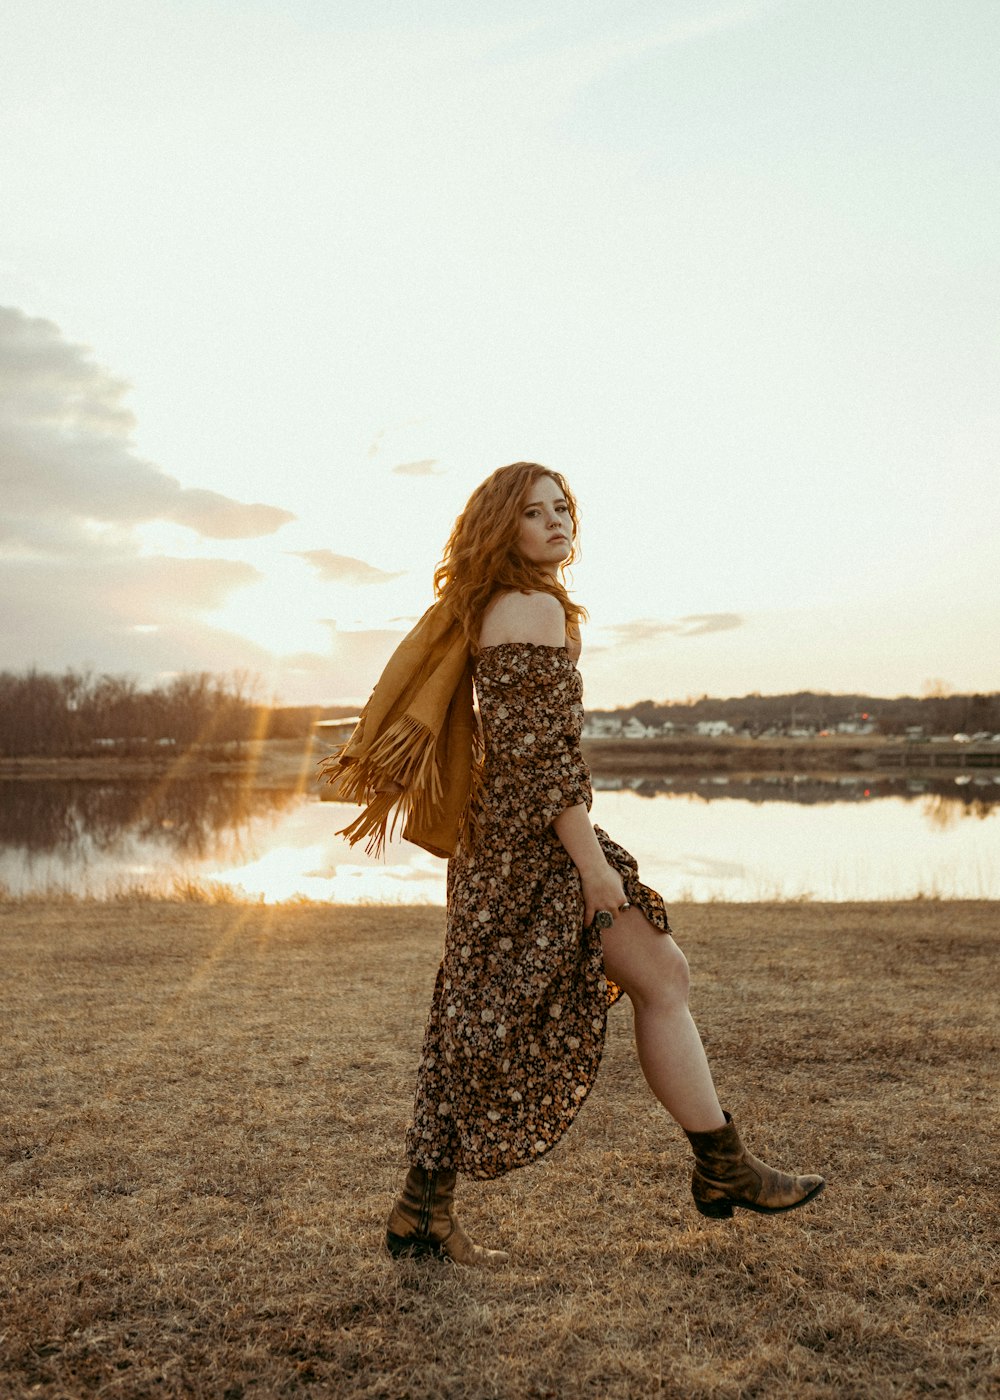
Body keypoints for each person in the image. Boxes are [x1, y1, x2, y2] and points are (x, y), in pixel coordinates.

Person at [324, 461, 824, 1267]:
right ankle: (721, 1168)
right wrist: (593, 868)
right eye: (536, 513)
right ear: (502, 528)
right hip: (536, 852)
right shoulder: (532, 608)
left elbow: (527, 756)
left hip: (506, 846)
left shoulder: (492, 607)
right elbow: (538, 758)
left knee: (485, 1018)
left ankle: (426, 1211)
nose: (558, 524)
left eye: (564, 510)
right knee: (628, 985)